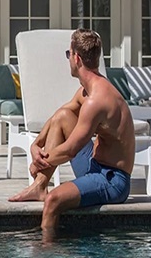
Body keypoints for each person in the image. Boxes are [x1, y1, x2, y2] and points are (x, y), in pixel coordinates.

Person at [9, 29, 135, 239]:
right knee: (63, 116)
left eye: (69, 54)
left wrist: (40, 163)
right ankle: (39, 187)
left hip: (112, 180)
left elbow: (71, 150)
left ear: (76, 58)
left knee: (53, 201)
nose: (68, 59)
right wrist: (35, 145)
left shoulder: (97, 100)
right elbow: (59, 115)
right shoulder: (87, 90)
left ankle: (46, 249)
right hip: (95, 165)